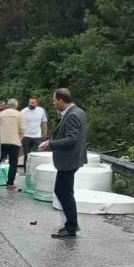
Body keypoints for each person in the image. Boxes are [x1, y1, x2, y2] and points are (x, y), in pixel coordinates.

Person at [39, 88, 86, 239]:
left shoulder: (72, 115)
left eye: (54, 101)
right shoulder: (78, 111)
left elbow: (72, 138)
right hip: (72, 159)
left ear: (61, 100)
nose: (53, 104)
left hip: (68, 160)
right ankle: (71, 224)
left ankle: (71, 226)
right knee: (64, 191)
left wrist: (51, 144)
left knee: (63, 192)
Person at [0, 98, 23, 189]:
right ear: (16, 105)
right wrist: (19, 139)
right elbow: (22, 129)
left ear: (7, 105)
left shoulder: (0, 114)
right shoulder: (20, 115)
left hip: (2, 141)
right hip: (14, 142)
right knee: (13, 163)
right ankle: (10, 183)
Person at [21, 96, 48, 170]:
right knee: (26, 155)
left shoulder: (41, 111)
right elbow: (19, 123)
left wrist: (45, 134)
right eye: (29, 102)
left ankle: (35, 171)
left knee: (36, 155)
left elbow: (44, 122)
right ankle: (26, 171)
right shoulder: (23, 111)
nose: (30, 104)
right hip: (26, 136)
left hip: (37, 136)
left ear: (36, 103)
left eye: (32, 103)